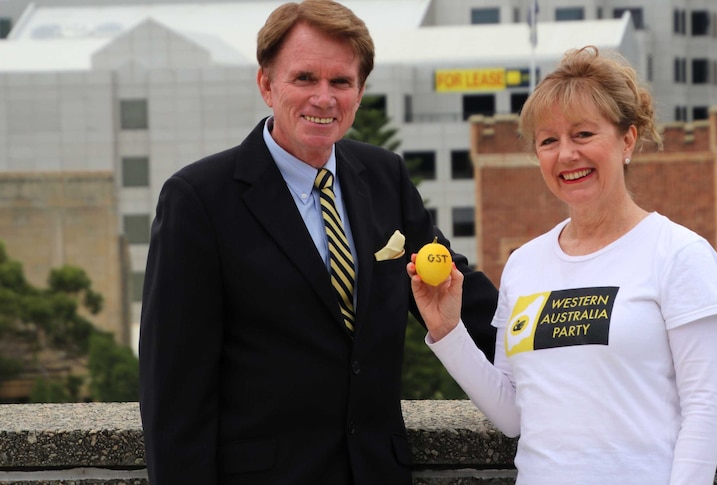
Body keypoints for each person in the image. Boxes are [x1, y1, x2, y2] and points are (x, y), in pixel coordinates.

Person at [137, 1, 498, 483]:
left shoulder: (384, 176)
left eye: (340, 81)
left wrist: (556, 355)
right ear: (267, 84)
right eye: (304, 78)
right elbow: (173, 389)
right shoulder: (198, 199)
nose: (323, 98)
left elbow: (461, 295)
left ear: (360, 90)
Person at [408, 46, 717, 485]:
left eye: (583, 134)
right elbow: (513, 415)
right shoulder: (524, 264)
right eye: (548, 141)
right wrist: (448, 331)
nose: (566, 155)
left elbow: (705, 410)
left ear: (627, 140)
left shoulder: (679, 254)